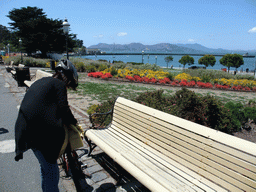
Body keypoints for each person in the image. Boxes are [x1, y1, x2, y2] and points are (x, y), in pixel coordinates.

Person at [15, 60, 78, 192]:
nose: (68, 87)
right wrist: (75, 123)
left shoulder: (45, 81)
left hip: (26, 131)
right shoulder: (59, 84)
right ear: (68, 78)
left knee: (46, 169)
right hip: (37, 134)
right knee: (52, 173)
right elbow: (64, 109)